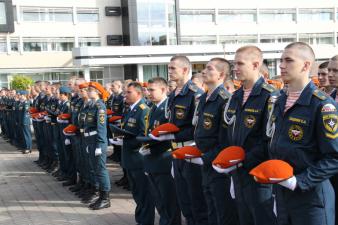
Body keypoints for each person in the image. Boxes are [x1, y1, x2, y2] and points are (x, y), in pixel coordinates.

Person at [264, 43, 338, 225]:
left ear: (305, 66)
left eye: (288, 60)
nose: (281, 65)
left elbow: (334, 157)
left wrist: (300, 181)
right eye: (281, 60)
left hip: (311, 198)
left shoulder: (322, 105)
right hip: (283, 193)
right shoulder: (280, 101)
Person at [217, 46, 278, 225]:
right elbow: (230, 132)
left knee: (262, 219)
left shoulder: (270, 96)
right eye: (234, 63)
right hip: (238, 173)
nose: (235, 68)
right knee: (244, 219)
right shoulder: (235, 97)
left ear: (255, 64)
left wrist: (242, 160)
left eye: (240, 64)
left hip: (258, 174)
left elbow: (269, 139)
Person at [150, 55, 207, 225]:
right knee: (185, 204)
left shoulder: (195, 94)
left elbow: (197, 128)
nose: (169, 71)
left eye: (173, 68)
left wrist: (173, 135)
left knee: (198, 205)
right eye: (169, 68)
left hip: (191, 151)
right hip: (177, 152)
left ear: (185, 70)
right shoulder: (174, 94)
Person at [189, 58, 239, 225]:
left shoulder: (225, 99)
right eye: (204, 68)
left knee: (223, 212)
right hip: (206, 163)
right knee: (210, 208)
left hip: (218, 164)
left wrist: (206, 158)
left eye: (209, 69)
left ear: (221, 75)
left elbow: (225, 140)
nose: (204, 71)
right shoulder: (204, 98)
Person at [140, 77, 181, 225]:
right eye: (148, 90)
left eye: (152, 90)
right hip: (152, 160)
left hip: (164, 159)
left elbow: (170, 136)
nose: (148, 93)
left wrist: (150, 148)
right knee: (159, 201)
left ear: (163, 90)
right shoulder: (153, 108)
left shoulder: (168, 108)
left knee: (169, 201)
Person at [112, 81, 155, 224]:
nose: (126, 95)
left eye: (129, 92)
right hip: (129, 158)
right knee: (136, 194)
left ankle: (146, 221)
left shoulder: (143, 110)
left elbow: (143, 136)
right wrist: (120, 138)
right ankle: (140, 219)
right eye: (125, 92)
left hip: (138, 159)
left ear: (138, 93)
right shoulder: (130, 109)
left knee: (144, 194)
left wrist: (125, 141)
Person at [84, 82, 111, 210]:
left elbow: (101, 128)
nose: (88, 91)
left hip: (97, 140)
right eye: (88, 90)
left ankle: (105, 198)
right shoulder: (91, 105)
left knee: (100, 169)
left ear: (98, 92)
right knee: (95, 169)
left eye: (91, 90)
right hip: (90, 139)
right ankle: (101, 195)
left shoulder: (100, 107)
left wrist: (100, 144)